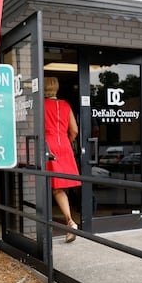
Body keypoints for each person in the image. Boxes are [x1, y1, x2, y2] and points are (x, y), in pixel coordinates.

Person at [44, 77, 81, 243]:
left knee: (52, 187)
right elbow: (74, 130)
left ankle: (69, 222)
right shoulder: (65, 105)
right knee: (60, 186)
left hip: (48, 146)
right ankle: (70, 222)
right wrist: (67, 142)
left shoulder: (41, 105)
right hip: (64, 145)